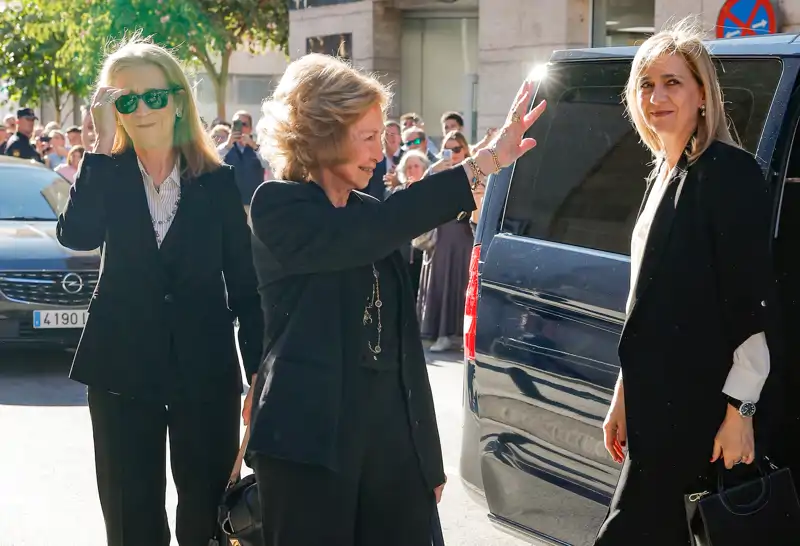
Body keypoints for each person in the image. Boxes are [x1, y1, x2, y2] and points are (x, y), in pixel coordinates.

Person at [245, 52, 545, 546]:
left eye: (381, 136)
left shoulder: (374, 213)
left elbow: (404, 346)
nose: (379, 151)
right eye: (367, 137)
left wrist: (425, 456)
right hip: (307, 445)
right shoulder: (278, 205)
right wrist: (478, 165)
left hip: (391, 447)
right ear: (322, 135)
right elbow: (363, 234)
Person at [56, 35, 263, 546]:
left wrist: (260, 372)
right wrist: (99, 148)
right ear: (110, 108)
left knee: (207, 518)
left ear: (177, 100)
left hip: (206, 374)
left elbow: (246, 286)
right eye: (125, 99)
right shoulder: (106, 173)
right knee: (131, 520)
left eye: (153, 96)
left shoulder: (218, 182)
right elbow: (76, 235)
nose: (141, 109)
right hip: (120, 370)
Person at [595, 19, 779, 546]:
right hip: (655, 407)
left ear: (703, 94)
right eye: (647, 84)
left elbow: (750, 301)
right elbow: (645, 302)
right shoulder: (661, 174)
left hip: (701, 412)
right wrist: (623, 393)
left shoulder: (730, 172)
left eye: (673, 82)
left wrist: (738, 412)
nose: (657, 96)